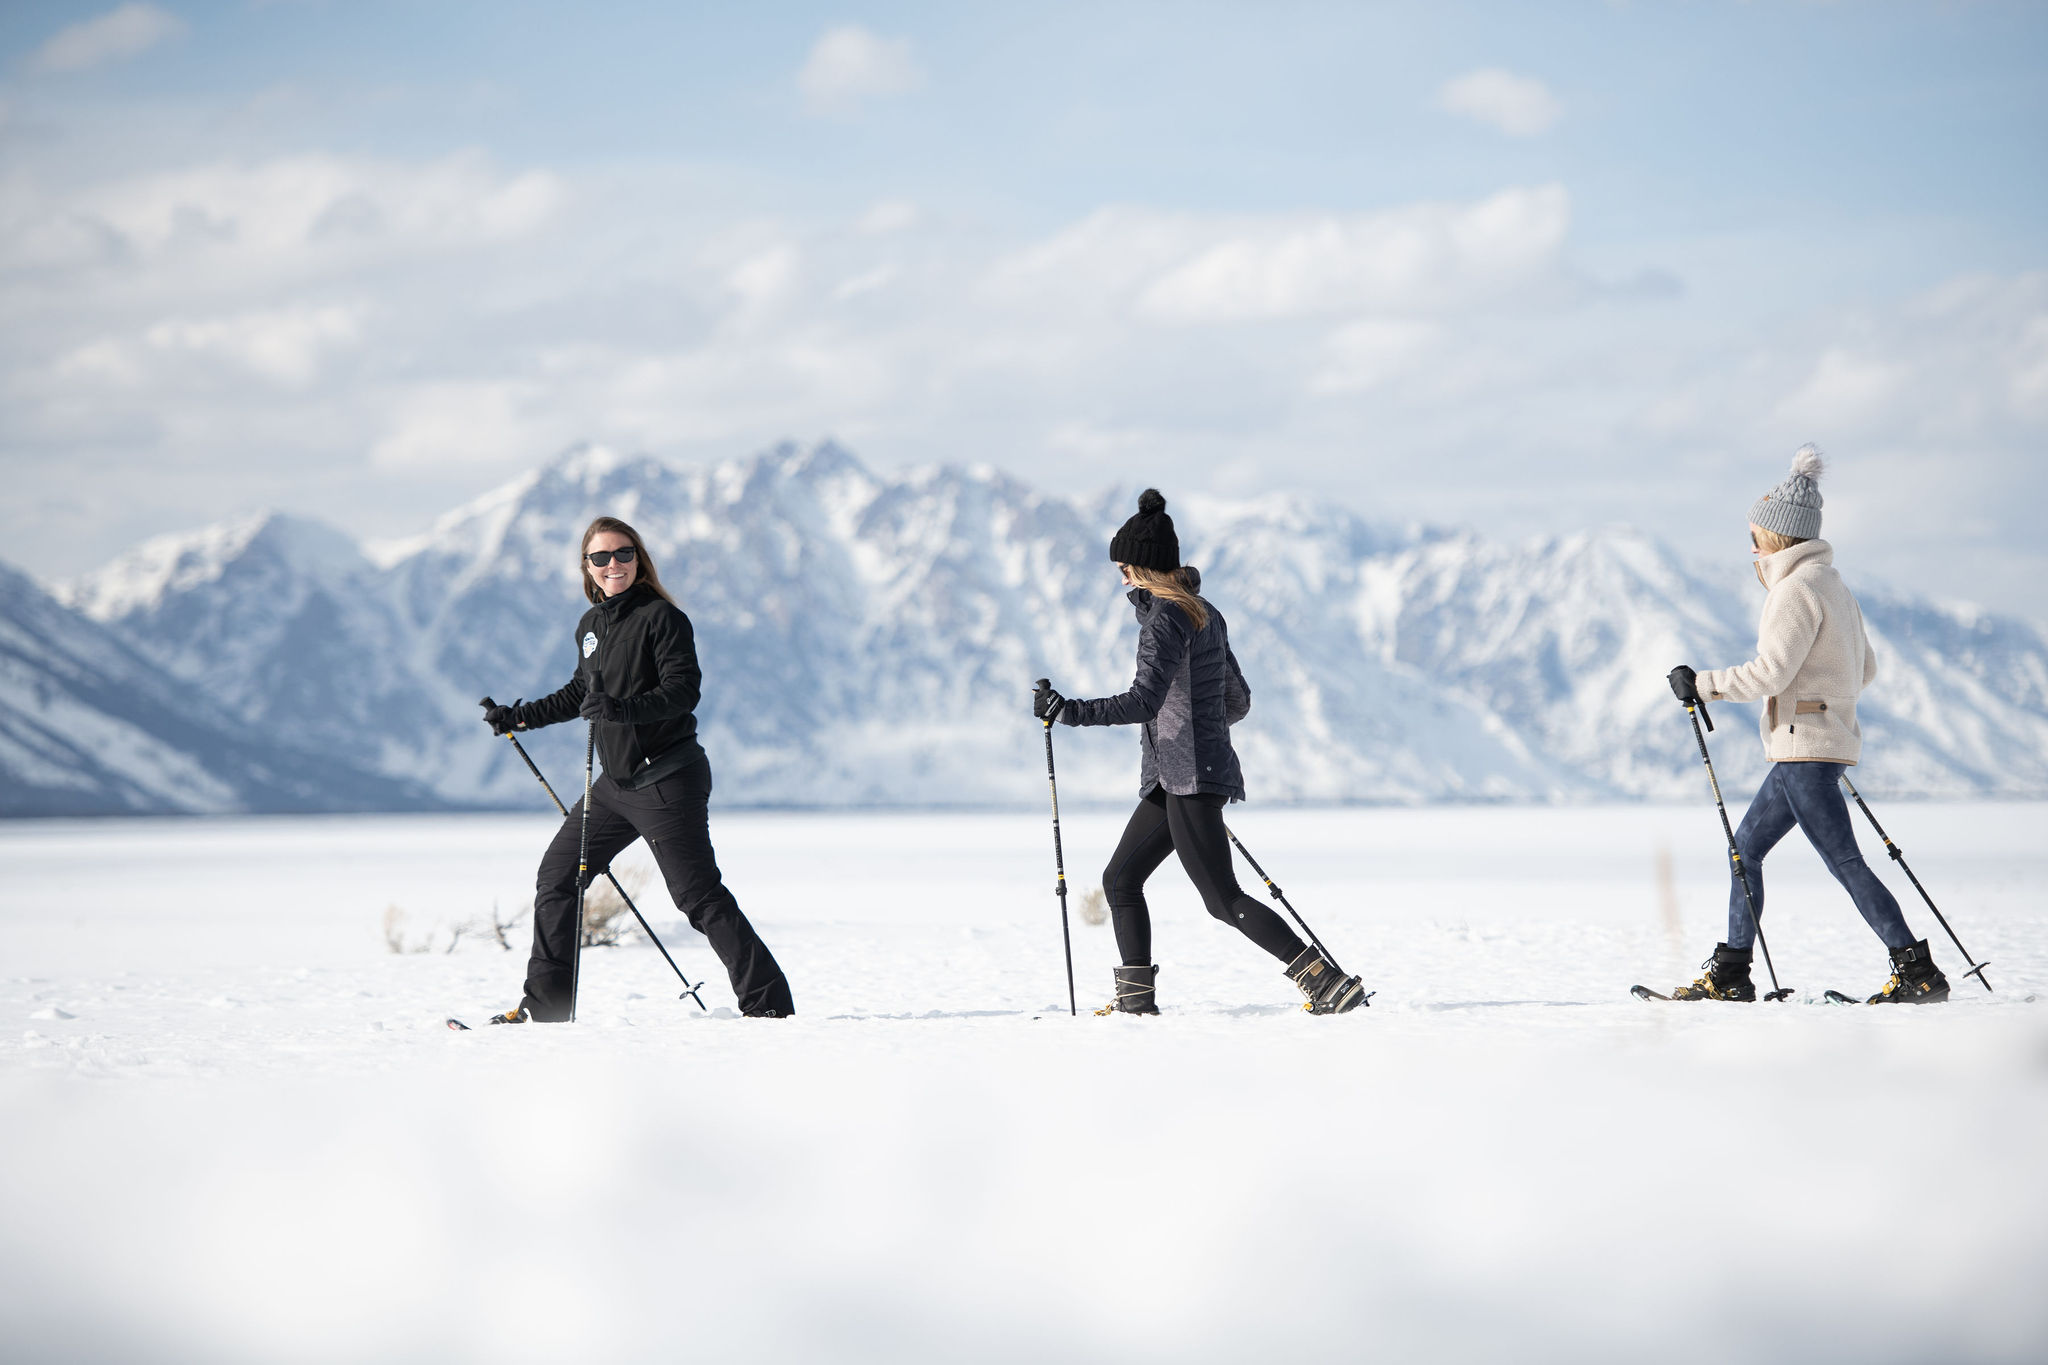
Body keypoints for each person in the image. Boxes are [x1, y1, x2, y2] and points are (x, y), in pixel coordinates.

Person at [1034, 489, 1366, 1016]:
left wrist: (1068, 710)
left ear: (1144, 568)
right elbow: (1238, 700)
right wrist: (1200, 736)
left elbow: (1143, 701)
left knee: (1223, 899)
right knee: (1120, 881)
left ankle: (1324, 982)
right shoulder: (1205, 613)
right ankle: (1136, 1003)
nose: (1120, 578)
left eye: (1124, 567)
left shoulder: (1165, 620)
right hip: (1182, 776)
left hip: (1186, 777)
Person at [480, 516, 795, 1022]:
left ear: (639, 558)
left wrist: (623, 710)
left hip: (667, 778)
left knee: (698, 897)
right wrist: (519, 716)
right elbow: (580, 693)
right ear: (586, 566)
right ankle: (546, 1010)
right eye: (600, 558)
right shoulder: (590, 626)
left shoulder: (663, 618)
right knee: (556, 877)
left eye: (622, 554)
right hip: (615, 787)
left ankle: (770, 1007)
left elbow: (682, 691)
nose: (612, 566)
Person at [1665, 446, 1947, 1004]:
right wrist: (1825, 705)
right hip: (1817, 746)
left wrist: (1703, 685)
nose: (1750, 545)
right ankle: (1732, 973)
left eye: (1755, 535)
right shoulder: (1834, 587)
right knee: (1745, 851)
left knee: (1844, 862)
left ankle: (1917, 972)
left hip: (1803, 750)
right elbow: (1866, 668)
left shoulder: (1793, 590)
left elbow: (1770, 673)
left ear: (1778, 537)